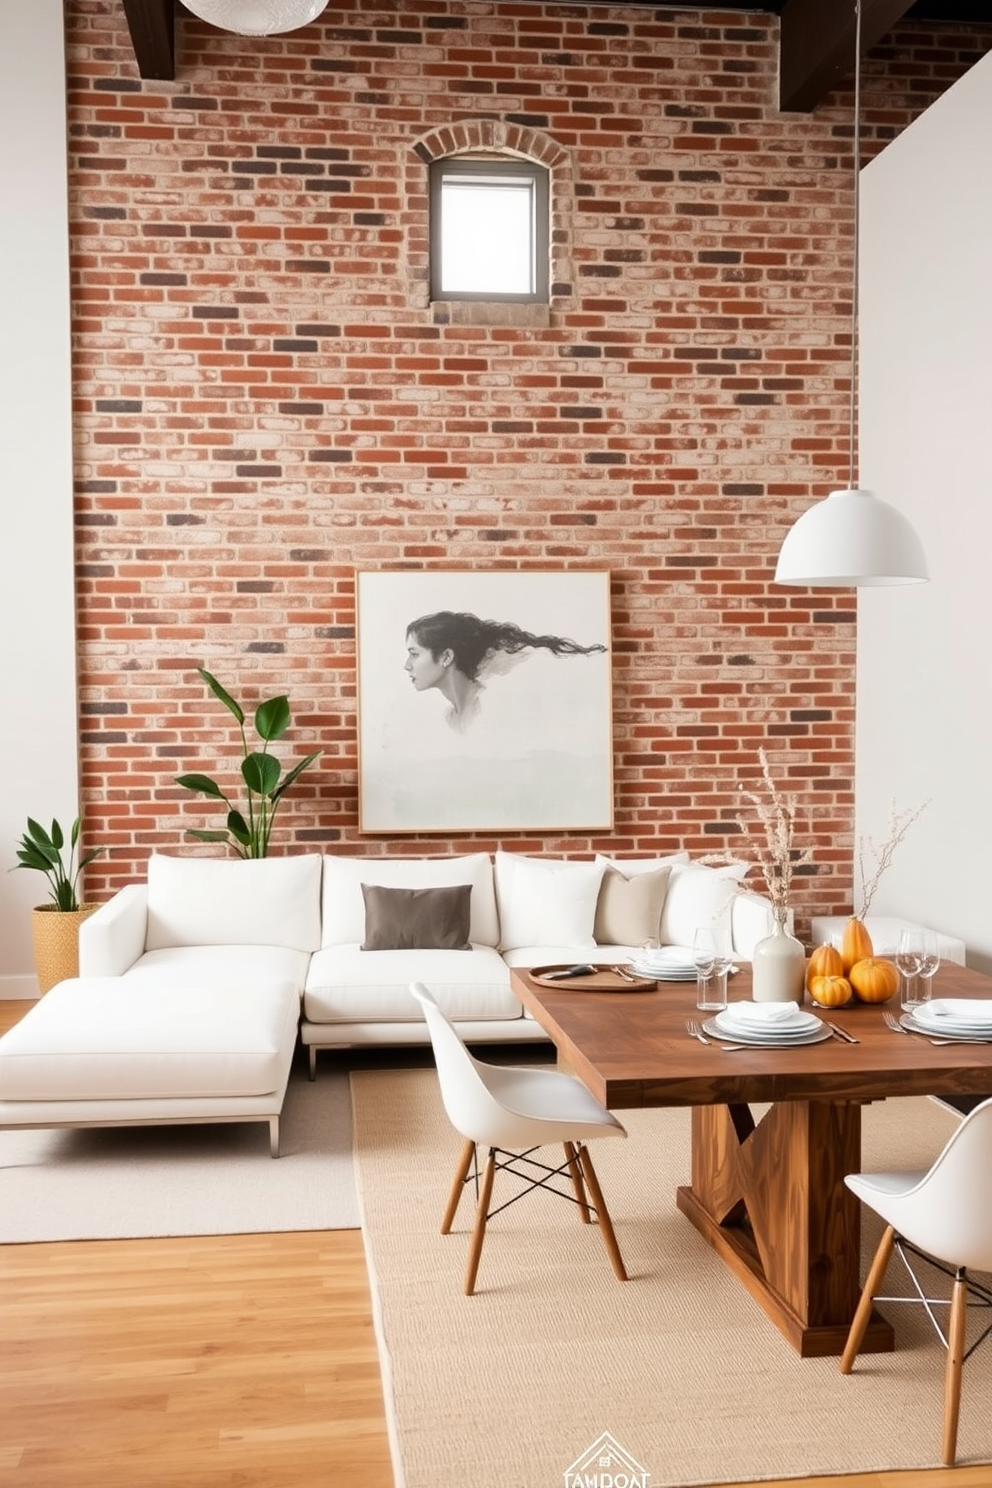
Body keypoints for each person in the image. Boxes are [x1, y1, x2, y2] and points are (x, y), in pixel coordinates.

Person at [404, 610, 607, 733]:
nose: (407, 665)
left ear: (446, 657)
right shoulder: (451, 719)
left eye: (414, 654)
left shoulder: (494, 710)